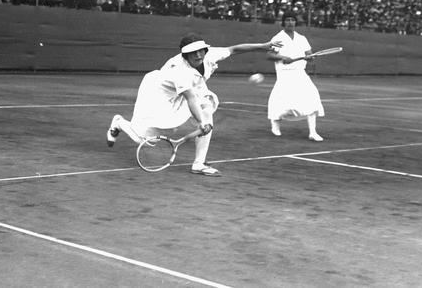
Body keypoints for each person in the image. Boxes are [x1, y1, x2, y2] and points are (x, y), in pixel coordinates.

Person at [106, 33, 281, 176]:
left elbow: (234, 49)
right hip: (158, 93)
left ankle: (199, 164)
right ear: (185, 55)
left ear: (205, 50)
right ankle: (119, 123)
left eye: (201, 51)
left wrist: (264, 46)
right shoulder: (179, 70)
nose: (198, 55)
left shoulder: (208, 55)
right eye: (193, 53)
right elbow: (190, 99)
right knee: (143, 139)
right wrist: (202, 123)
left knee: (207, 110)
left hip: (192, 89)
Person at [266, 13, 325, 141]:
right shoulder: (278, 38)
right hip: (284, 74)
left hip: (300, 73)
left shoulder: (302, 38)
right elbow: (270, 55)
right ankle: (275, 124)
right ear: (283, 22)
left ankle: (313, 132)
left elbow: (309, 55)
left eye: (292, 20)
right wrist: (283, 57)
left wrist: (311, 57)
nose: (290, 22)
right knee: (283, 103)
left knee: (312, 98)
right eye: (287, 20)